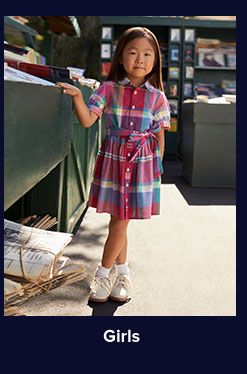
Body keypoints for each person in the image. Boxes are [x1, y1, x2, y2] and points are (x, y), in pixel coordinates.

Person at [56, 27, 170, 303]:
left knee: (120, 222)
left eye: (147, 54)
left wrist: (155, 171)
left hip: (141, 165)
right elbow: (87, 120)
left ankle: (103, 274)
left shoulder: (157, 97)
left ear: (155, 61)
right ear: (121, 57)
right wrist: (76, 97)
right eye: (132, 52)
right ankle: (122, 274)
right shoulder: (108, 89)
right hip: (113, 162)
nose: (140, 59)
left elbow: (159, 139)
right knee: (119, 223)